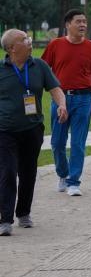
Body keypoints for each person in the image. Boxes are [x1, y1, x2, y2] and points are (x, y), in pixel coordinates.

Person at [1, 29, 67, 236]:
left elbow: (55, 88)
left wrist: (62, 105)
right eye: (24, 40)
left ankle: (24, 213)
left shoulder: (39, 66)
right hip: (5, 130)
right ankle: (5, 219)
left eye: (28, 38)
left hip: (32, 129)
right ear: (12, 48)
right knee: (7, 172)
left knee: (28, 172)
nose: (30, 42)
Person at [40, 9, 91, 197]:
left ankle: (74, 182)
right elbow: (43, 70)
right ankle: (63, 174)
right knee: (57, 142)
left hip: (83, 99)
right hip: (60, 99)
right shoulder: (55, 45)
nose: (83, 25)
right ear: (67, 24)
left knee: (78, 142)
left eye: (84, 22)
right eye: (78, 22)